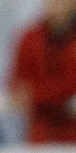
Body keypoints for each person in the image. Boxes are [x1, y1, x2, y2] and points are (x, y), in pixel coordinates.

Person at [9, 0, 76, 145]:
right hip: (40, 136)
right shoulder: (30, 38)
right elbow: (16, 90)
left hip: (72, 135)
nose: (57, 4)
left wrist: (36, 94)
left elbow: (70, 86)